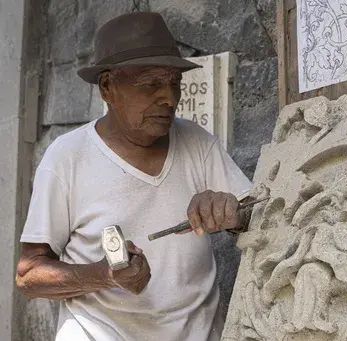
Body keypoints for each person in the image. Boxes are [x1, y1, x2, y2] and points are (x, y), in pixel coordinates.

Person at [15, 12, 253, 341]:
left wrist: (231, 211)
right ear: (108, 87)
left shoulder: (198, 143)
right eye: (151, 83)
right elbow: (29, 275)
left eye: (174, 83)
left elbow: (258, 214)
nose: (169, 98)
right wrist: (106, 275)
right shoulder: (67, 157)